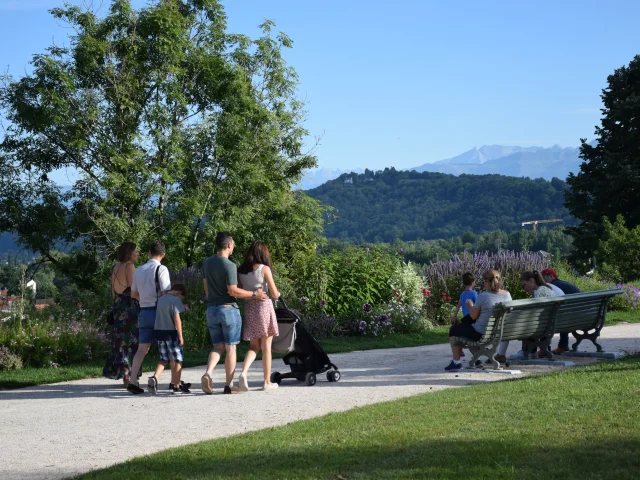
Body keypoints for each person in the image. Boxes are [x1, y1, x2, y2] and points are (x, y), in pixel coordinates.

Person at [201, 232, 268, 395]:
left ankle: (208, 373)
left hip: (211, 309)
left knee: (218, 346)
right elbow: (233, 291)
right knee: (231, 348)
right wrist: (254, 295)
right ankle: (228, 385)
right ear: (229, 245)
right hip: (228, 310)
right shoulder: (229, 265)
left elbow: (207, 290)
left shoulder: (206, 263)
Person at [444, 269, 511, 371]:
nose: (483, 283)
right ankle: (476, 358)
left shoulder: (483, 296)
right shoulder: (507, 295)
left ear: (488, 281)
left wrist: (470, 306)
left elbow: (474, 316)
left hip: (482, 333)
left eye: (484, 281)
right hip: (501, 331)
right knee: (464, 324)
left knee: (454, 329)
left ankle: (456, 362)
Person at [127, 241, 171, 394]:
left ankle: (132, 381)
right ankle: (173, 381)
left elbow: (133, 294)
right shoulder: (161, 269)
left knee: (142, 349)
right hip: (159, 312)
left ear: (148, 253)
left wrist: (144, 300)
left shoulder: (138, 271)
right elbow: (166, 293)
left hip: (144, 312)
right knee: (168, 346)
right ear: (163, 255)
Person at [236, 241, 281, 392]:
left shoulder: (241, 271)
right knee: (266, 347)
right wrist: (278, 294)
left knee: (254, 346)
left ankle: (243, 372)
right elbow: (274, 294)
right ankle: (267, 382)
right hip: (264, 308)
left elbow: (240, 292)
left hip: (250, 308)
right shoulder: (264, 269)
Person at [103, 242, 140, 386]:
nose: (137, 254)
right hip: (129, 306)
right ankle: (129, 374)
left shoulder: (115, 267)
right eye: (135, 251)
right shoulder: (129, 266)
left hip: (118, 305)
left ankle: (122, 370)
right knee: (132, 340)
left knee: (119, 341)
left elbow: (113, 291)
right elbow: (133, 290)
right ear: (129, 253)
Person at [502, 270, 559, 361]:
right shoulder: (546, 289)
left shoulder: (539, 292)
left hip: (543, 326)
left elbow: (534, 314)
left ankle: (526, 352)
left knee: (525, 323)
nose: (524, 288)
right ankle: (532, 352)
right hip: (550, 323)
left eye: (524, 285)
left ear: (532, 280)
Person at [147, 283, 191, 394]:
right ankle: (176, 386)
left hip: (159, 332)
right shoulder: (175, 301)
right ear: (179, 292)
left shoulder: (161, 299)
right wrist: (180, 336)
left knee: (164, 359)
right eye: (182, 297)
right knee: (178, 359)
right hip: (171, 333)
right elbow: (177, 319)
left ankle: (154, 378)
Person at [541, 268, 581, 354]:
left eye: (543, 277)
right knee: (563, 315)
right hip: (582, 317)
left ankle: (545, 348)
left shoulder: (553, 286)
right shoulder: (564, 284)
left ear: (551, 276)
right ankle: (563, 346)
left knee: (546, 319)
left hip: (570, 318)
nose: (542, 280)